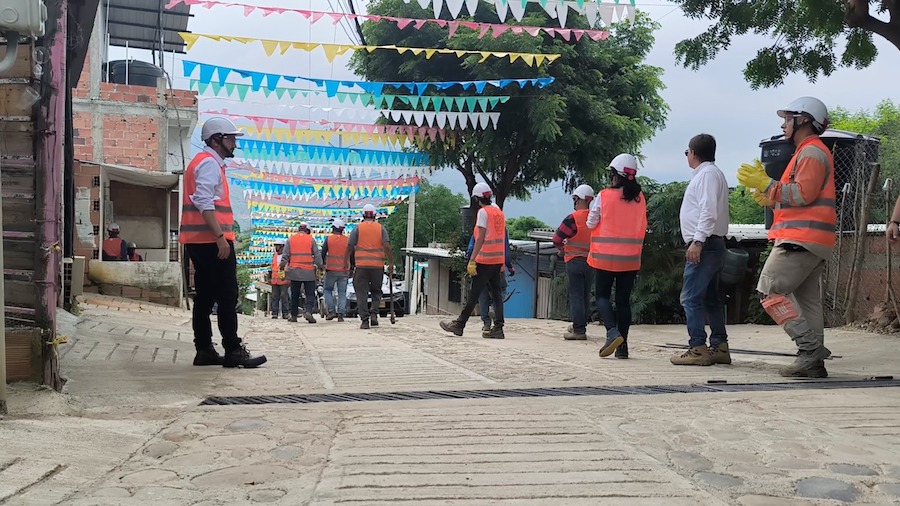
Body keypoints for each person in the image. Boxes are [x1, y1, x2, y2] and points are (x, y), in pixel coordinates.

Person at [738, 96, 836, 378]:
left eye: (787, 119)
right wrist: (770, 196)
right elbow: (799, 195)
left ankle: (810, 351)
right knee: (808, 304)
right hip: (812, 240)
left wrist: (768, 185)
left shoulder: (811, 153)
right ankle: (813, 364)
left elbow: (802, 195)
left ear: (803, 120)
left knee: (769, 291)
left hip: (800, 239)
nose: (783, 125)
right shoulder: (808, 152)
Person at [181, 116, 266, 368]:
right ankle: (232, 349)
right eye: (231, 139)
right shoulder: (208, 164)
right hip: (211, 241)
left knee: (205, 296)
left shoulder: (204, 162)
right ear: (217, 140)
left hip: (199, 240)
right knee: (227, 295)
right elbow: (203, 201)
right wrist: (220, 238)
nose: (234, 144)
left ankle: (204, 349)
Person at [670, 135, 731, 367]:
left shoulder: (706, 175)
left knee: (690, 297)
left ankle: (697, 346)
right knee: (710, 298)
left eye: (687, 152)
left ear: (694, 153)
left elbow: (708, 210)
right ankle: (719, 346)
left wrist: (697, 241)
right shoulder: (711, 174)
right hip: (712, 242)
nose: (687, 156)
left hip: (705, 244)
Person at [587, 155, 647, 358]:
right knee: (623, 301)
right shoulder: (640, 199)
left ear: (616, 175)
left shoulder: (604, 196)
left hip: (605, 257)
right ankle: (623, 348)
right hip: (630, 258)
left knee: (602, 296)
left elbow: (590, 223)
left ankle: (612, 332)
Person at [440, 182, 507, 339]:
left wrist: (472, 260)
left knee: (474, 293)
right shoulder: (498, 211)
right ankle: (498, 328)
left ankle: (459, 324)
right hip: (497, 259)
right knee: (497, 294)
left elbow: (480, 238)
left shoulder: (483, 213)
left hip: (484, 260)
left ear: (477, 199)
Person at [553, 184, 595, 341]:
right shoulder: (596, 217)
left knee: (576, 294)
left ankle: (578, 330)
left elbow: (556, 238)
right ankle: (581, 324)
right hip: (591, 261)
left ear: (577, 199)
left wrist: (562, 249)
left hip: (574, 260)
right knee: (584, 294)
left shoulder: (573, 218)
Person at [346, 204, 394, 329]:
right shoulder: (380, 228)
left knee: (361, 293)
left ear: (363, 215)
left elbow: (350, 246)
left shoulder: (358, 229)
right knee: (376, 291)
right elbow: (387, 246)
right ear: (374, 215)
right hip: (377, 267)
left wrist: (347, 262)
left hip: (361, 266)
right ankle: (374, 314)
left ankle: (365, 320)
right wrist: (391, 262)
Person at [466, 229, 514, 332]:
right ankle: (493, 308)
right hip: (497, 266)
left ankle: (486, 323)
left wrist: (470, 262)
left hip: (481, 266)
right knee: (501, 290)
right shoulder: (501, 229)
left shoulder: (479, 228)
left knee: (483, 295)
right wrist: (509, 266)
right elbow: (505, 249)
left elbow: (471, 248)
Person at [281, 222, 322, 324]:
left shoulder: (291, 239)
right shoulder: (311, 239)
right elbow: (317, 255)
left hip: (294, 272)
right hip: (308, 272)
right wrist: (321, 266)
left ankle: (294, 316)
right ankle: (308, 311)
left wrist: (282, 267)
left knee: (295, 294)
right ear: (307, 230)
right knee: (310, 294)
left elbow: (285, 255)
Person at [322, 218, 350, 322]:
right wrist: (351, 268)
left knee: (327, 290)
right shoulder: (347, 240)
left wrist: (322, 265)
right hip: (344, 270)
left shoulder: (329, 239)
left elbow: (323, 253)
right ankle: (341, 314)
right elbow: (352, 255)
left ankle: (331, 311)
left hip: (331, 270)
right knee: (342, 292)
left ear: (333, 228)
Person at [268, 239, 290, 320]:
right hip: (275, 281)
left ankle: (285, 313)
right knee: (274, 297)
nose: (276, 247)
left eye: (278, 246)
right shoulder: (275, 256)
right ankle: (275, 313)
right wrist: (270, 279)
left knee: (284, 296)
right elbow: (272, 268)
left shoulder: (287, 257)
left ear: (282, 246)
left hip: (283, 280)